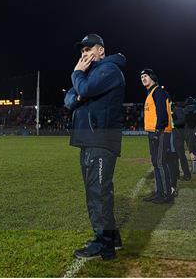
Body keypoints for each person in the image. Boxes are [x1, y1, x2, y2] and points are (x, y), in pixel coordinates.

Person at [64, 34, 125, 260]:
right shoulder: (91, 75)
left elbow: (84, 90)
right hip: (90, 140)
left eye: (88, 49)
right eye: (81, 51)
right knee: (98, 191)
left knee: (98, 193)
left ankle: (103, 244)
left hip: (100, 140)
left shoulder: (108, 70)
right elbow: (69, 100)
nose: (84, 54)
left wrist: (77, 75)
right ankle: (113, 238)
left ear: (100, 50)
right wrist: (80, 88)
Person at [140, 69, 174, 204]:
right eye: (141, 77)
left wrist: (158, 130)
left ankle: (166, 194)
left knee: (160, 162)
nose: (143, 78)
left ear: (152, 77)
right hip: (153, 132)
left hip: (159, 132)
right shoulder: (151, 92)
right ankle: (159, 192)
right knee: (155, 162)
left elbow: (162, 113)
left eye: (145, 76)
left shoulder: (158, 91)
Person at [171, 102, 192, 181]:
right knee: (175, 156)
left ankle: (186, 175)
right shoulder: (173, 109)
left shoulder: (178, 109)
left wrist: (171, 123)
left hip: (179, 135)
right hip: (176, 134)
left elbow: (182, 120)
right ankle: (177, 174)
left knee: (180, 155)